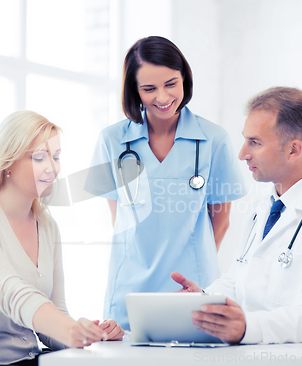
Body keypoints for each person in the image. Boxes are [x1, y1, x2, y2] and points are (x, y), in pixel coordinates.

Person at [172, 87, 302, 344]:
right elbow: (237, 281)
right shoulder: (262, 207)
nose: (242, 153)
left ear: (293, 150)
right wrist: (202, 300)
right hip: (257, 355)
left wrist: (247, 327)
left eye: (255, 142)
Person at [0, 111, 123, 366]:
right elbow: (11, 293)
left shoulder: (48, 225)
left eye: (57, 157)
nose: (52, 168)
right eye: (39, 157)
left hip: (26, 359)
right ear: (7, 161)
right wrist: (68, 329)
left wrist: (90, 334)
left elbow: (53, 315)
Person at [86, 36, 246, 330]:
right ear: (134, 91)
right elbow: (119, 218)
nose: (162, 97)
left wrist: (197, 267)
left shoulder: (214, 139)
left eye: (171, 84)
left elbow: (220, 222)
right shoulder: (111, 141)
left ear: (185, 78)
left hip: (192, 286)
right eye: (149, 88)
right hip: (130, 290)